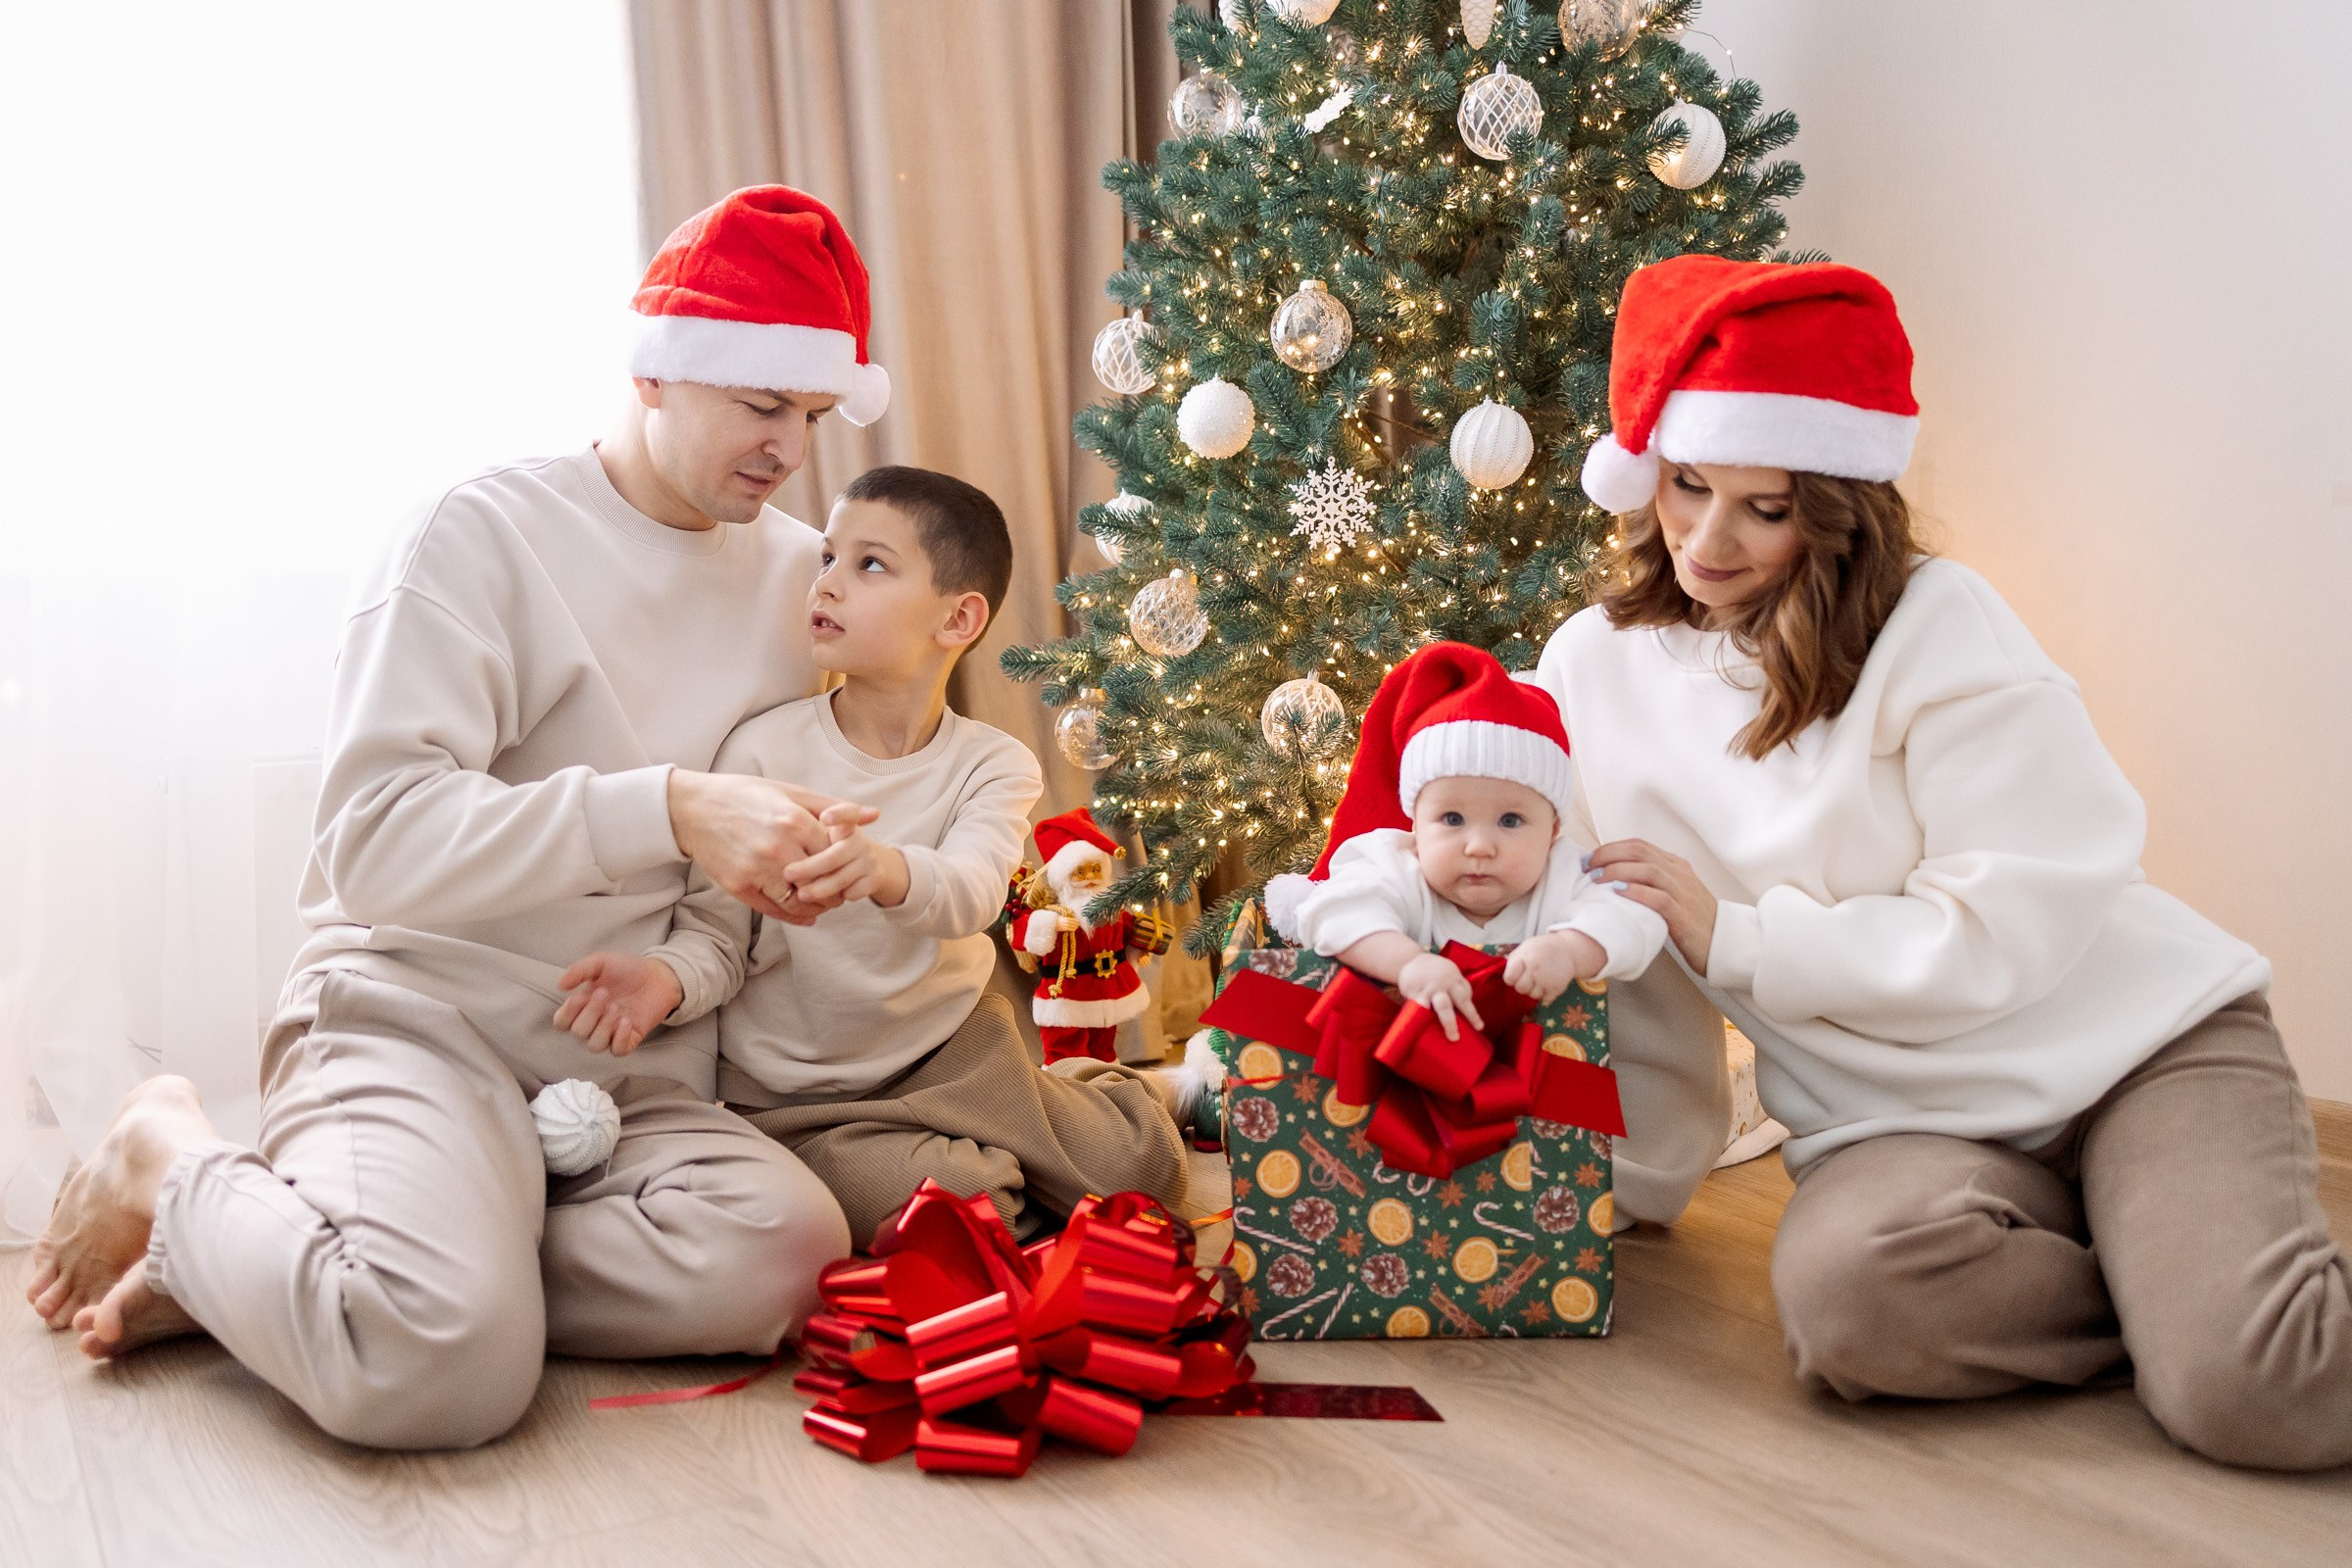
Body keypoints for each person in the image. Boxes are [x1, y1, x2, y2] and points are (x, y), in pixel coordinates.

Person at [26, 186, 897, 1450]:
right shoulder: (477, 533)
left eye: (812, 414)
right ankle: (174, 1157)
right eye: (762, 405)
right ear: (657, 374)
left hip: (623, 1059)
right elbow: (370, 844)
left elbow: (740, 866)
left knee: (786, 1258)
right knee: (439, 1377)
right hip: (419, 1013)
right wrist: (665, 807)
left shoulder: (803, 576)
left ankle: (308, 1260)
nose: (788, 450)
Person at [1536, 252, 2351, 1470]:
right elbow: (1639, 948)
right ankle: (2167, 1282)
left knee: (2257, 1395)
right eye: (1688, 485)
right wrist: (1626, 1189)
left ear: (1835, 504)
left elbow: (2010, 919)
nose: (1708, 539)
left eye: (1764, 508)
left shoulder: (1939, 621)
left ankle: (2203, 1304)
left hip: (2132, 1054)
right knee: (1848, 1312)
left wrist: (1745, 936)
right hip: (1903, 1130)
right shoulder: (1589, 668)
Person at [553, 466, 1214, 1246]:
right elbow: (718, 940)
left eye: (869, 564)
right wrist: (662, 979)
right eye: (827, 558)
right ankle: (1020, 1136)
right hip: (807, 1099)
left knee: (1149, 1173)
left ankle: (1085, 1097)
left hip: (958, 1054)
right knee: (971, 1216)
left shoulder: (995, 764)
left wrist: (884, 868)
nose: (825, 585)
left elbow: (972, 893)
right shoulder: (760, 751)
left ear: (958, 617)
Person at [1264, 641, 1665, 1035]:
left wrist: (1569, 950)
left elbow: (1636, 918)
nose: (1479, 847)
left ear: (1553, 831)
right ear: (1416, 825)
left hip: (1545, 1082)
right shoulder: (1395, 865)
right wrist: (1408, 964)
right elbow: (1331, 913)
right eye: (1452, 818)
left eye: (1510, 821)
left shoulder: (1564, 872)